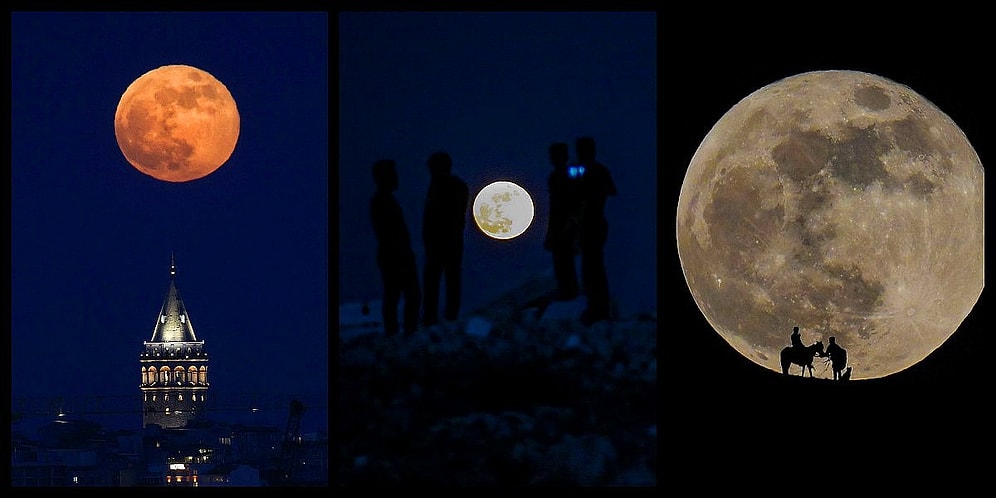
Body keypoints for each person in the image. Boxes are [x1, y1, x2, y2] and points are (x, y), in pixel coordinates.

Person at [370, 159, 421, 336]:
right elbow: (389, 233)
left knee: (399, 295)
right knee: (403, 295)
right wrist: (401, 253)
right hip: (396, 256)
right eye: (392, 175)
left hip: (396, 255)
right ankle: (403, 333)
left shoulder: (385, 201)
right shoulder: (382, 202)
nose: (396, 178)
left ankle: (401, 332)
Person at [422, 151, 469, 327]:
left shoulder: (450, 187)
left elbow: (451, 217)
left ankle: (443, 317)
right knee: (441, 280)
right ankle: (435, 317)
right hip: (443, 243)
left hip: (446, 243)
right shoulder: (440, 186)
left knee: (445, 280)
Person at [575, 137, 617, 325]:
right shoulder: (596, 170)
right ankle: (597, 307)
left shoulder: (594, 171)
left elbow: (608, 191)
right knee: (591, 267)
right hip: (591, 224)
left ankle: (598, 309)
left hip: (592, 224)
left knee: (593, 268)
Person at [543, 142, 582, 300]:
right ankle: (565, 288)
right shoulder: (554, 177)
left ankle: (569, 290)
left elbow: (576, 200)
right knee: (560, 259)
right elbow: (554, 205)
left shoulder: (570, 175)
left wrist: (572, 222)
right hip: (559, 223)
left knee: (565, 258)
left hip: (568, 223)